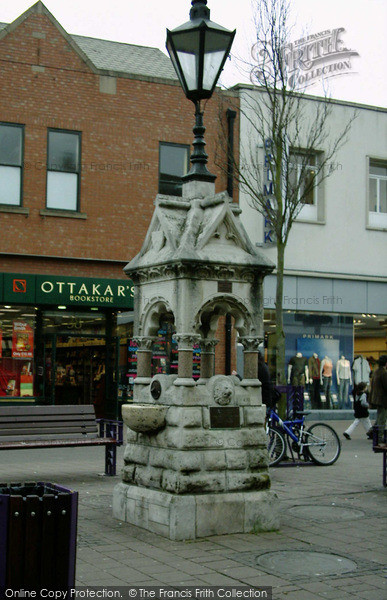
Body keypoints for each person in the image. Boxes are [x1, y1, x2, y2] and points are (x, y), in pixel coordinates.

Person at [368, 355, 387, 443]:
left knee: (380, 416)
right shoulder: (384, 373)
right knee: (382, 418)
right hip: (383, 399)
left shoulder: (376, 372)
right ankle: (379, 436)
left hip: (376, 398)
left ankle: (372, 431)